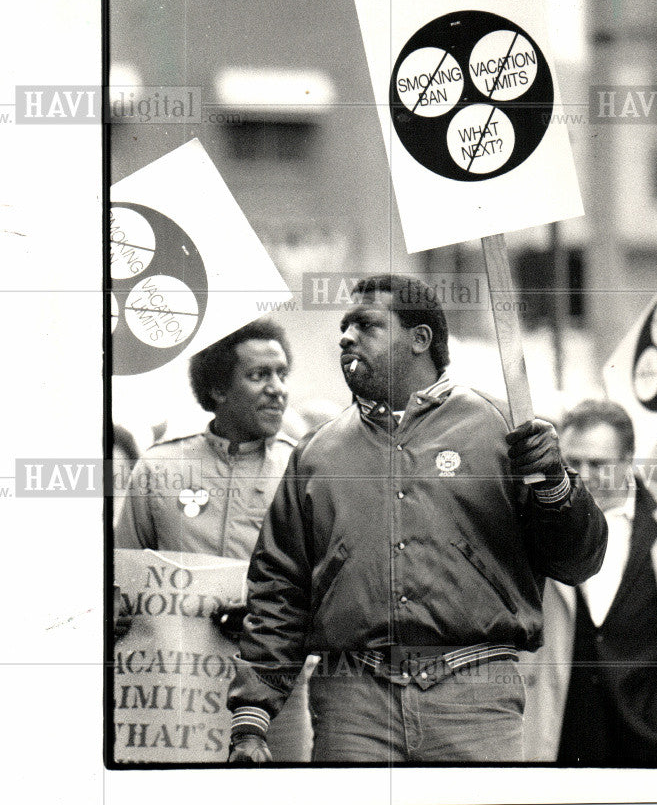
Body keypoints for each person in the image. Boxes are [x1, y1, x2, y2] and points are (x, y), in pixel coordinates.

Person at [226, 275, 608, 764]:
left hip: (475, 698)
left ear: (420, 339)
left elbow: (578, 561)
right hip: (353, 703)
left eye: (366, 324)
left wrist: (555, 486)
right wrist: (251, 718)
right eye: (344, 327)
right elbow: (280, 589)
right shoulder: (316, 454)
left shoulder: (501, 432)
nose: (346, 337)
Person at [115, 317, 313, 762]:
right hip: (173, 694)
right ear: (218, 390)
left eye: (282, 374)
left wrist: (270, 620)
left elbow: (327, 584)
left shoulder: (301, 471)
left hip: (275, 696)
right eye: (259, 375)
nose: (277, 388)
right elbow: (121, 577)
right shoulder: (159, 468)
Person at [522, 399, 657, 765]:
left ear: (628, 459)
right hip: (561, 731)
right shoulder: (534, 523)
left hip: (656, 736)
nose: (583, 475)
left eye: (598, 464)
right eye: (572, 462)